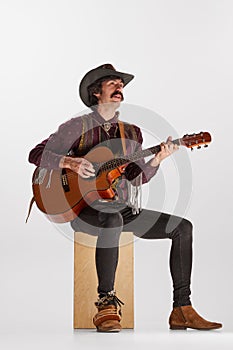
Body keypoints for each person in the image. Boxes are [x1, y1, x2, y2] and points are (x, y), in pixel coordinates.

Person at [28, 63, 222, 333]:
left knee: (182, 227)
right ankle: (106, 304)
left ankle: (182, 309)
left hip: (119, 208)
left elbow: (134, 176)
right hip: (83, 210)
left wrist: (157, 159)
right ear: (97, 92)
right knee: (112, 218)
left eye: (121, 84)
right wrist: (70, 163)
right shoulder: (76, 127)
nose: (119, 88)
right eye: (113, 83)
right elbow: (36, 154)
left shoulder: (131, 133)